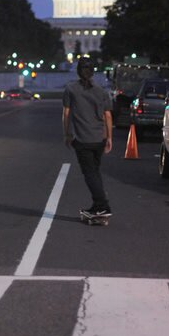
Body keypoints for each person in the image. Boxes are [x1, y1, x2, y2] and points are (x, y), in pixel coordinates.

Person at [62, 57, 113, 218]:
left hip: (82, 139)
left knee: (90, 174)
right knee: (95, 173)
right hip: (99, 139)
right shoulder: (101, 92)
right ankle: (98, 205)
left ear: (78, 71)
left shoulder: (71, 89)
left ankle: (102, 206)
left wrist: (67, 134)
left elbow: (66, 114)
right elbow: (108, 116)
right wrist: (109, 138)